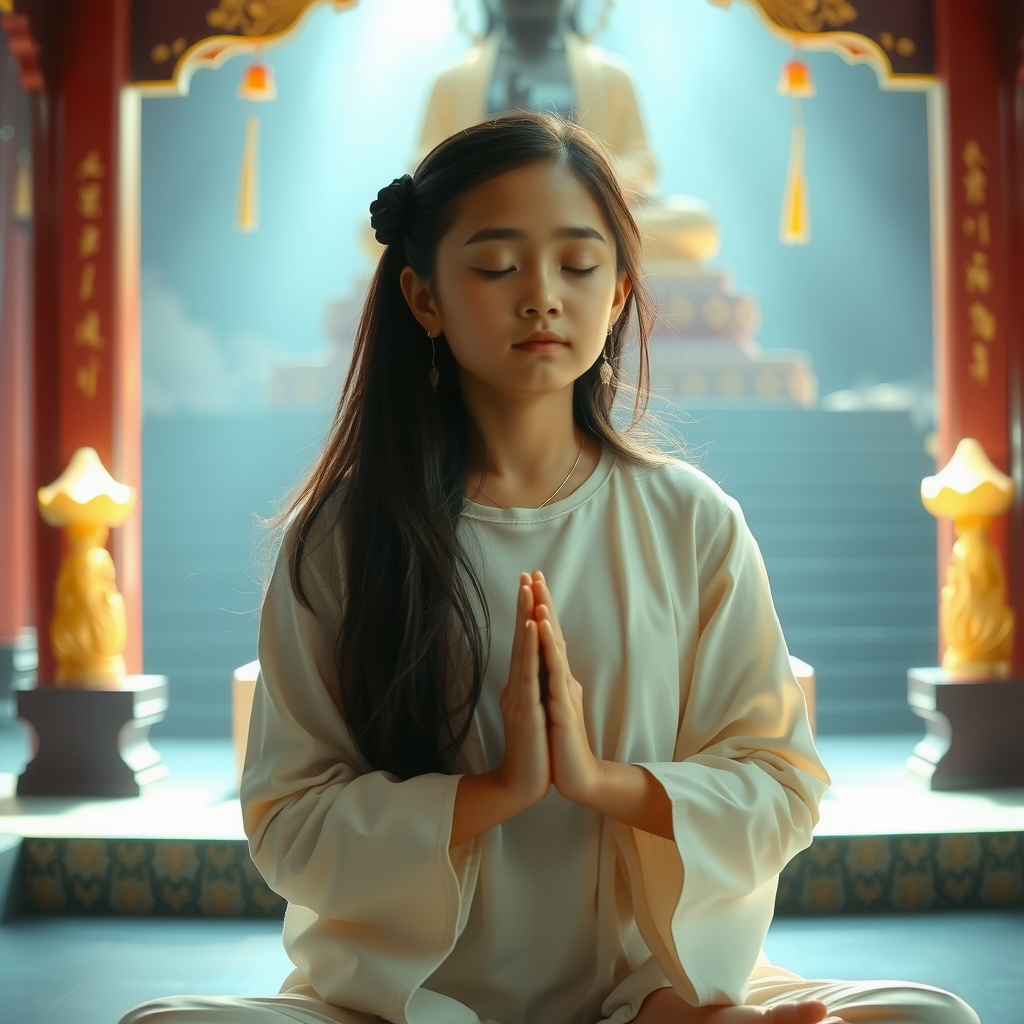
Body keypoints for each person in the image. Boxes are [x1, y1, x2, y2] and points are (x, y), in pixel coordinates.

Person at [119, 114, 978, 1024]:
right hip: (406, 1002)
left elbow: (782, 784)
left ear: (617, 295)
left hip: (649, 991)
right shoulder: (342, 537)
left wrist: (605, 782)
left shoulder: (691, 522)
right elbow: (289, 824)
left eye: (578, 264)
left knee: (930, 1017)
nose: (542, 297)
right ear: (424, 298)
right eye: (496, 267)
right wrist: (491, 796)